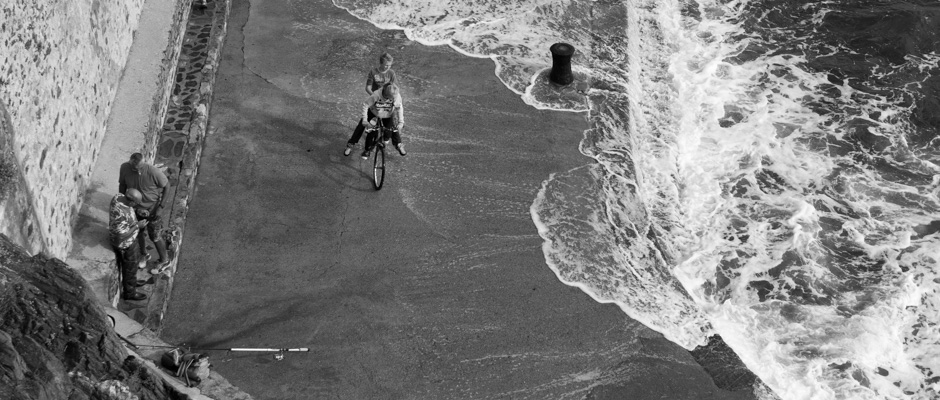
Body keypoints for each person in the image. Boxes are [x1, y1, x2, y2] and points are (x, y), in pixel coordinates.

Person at [118, 153, 170, 271]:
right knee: (138, 232)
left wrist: (161, 207)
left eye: (140, 168)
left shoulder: (153, 171)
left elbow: (167, 186)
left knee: (155, 236)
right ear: (130, 162)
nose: (138, 171)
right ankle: (144, 254)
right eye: (134, 168)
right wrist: (123, 203)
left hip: (152, 209)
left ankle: (164, 260)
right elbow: (122, 184)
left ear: (143, 163)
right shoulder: (124, 168)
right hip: (135, 208)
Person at [344, 53, 398, 156]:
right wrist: (374, 96)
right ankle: (351, 144)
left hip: (387, 101)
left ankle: (391, 140)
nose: (388, 67)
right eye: (386, 65)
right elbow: (367, 87)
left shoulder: (391, 73)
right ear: (381, 63)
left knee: (392, 121)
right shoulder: (373, 72)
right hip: (375, 100)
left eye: (390, 65)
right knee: (362, 124)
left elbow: (395, 88)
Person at [108, 189, 149, 301]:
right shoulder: (120, 215)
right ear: (131, 202)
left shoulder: (118, 197)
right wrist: (137, 226)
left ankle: (133, 282)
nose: (137, 204)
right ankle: (129, 293)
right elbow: (121, 235)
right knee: (129, 268)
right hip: (125, 244)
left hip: (131, 240)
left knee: (134, 262)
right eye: (136, 203)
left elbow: (129, 211)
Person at [360, 83, 405, 159]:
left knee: (393, 129)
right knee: (371, 132)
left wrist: (401, 122)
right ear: (386, 95)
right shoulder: (376, 95)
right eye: (392, 98)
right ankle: (367, 150)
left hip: (388, 115)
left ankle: (397, 144)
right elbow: (365, 105)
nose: (394, 99)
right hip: (374, 114)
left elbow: (399, 109)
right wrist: (364, 119)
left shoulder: (396, 96)